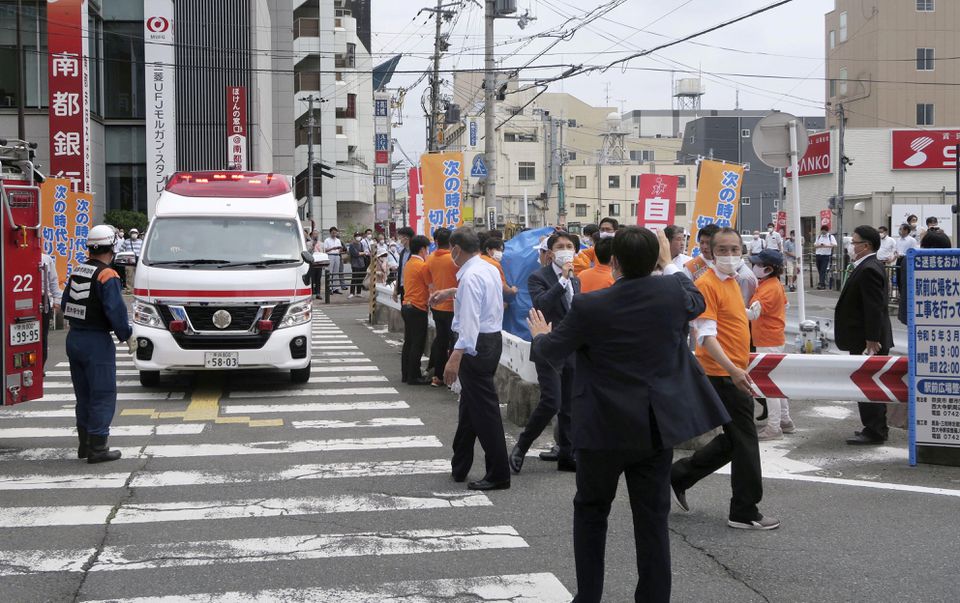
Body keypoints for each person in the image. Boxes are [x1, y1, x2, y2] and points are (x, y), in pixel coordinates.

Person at [526, 226, 729, 603]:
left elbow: (549, 353)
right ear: (654, 260)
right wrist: (668, 266)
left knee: (591, 512)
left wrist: (539, 335)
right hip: (654, 427)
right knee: (651, 519)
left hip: (601, 427)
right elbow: (695, 299)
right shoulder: (672, 293)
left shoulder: (591, 305)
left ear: (613, 261)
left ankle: (588, 596)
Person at [671, 227, 780, 531]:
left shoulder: (731, 281)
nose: (730, 255)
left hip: (732, 371)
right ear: (710, 252)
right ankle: (744, 510)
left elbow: (729, 317)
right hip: (723, 374)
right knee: (745, 441)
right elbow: (705, 336)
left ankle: (679, 475)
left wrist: (749, 314)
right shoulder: (706, 284)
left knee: (735, 441)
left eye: (735, 249)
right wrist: (733, 370)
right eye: (723, 250)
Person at [431, 229, 510, 491]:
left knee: (485, 412)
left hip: (475, 345)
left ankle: (498, 472)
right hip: (489, 341)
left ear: (456, 248)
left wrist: (456, 355)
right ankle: (460, 464)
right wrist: (450, 292)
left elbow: (469, 321)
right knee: (470, 406)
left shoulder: (472, 275)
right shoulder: (486, 268)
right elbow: (480, 298)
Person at [510, 231, 581, 474]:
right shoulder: (538, 277)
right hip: (548, 348)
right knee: (552, 400)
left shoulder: (577, 279)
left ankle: (567, 454)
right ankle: (522, 445)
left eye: (570, 245)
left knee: (570, 404)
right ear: (550, 253)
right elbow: (542, 304)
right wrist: (562, 279)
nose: (565, 249)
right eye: (560, 246)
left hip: (572, 348)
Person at [62, 225, 134, 464]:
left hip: (75, 339)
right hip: (96, 341)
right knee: (102, 393)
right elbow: (115, 311)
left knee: (83, 395)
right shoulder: (108, 275)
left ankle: (84, 444)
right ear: (113, 247)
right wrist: (127, 335)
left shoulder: (77, 271)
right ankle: (98, 447)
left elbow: (65, 305)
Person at [835, 225, 894, 445]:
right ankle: (873, 426)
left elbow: (874, 307)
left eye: (855, 242)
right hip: (862, 338)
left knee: (869, 383)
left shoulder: (869, 268)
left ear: (866, 245)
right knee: (866, 382)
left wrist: (872, 339)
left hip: (867, 340)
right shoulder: (863, 266)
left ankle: (875, 430)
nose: (851, 246)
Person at [747, 249, 793, 440]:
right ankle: (785, 420)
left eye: (758, 264)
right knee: (776, 382)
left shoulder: (767, 288)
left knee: (768, 386)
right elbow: (786, 305)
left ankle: (774, 427)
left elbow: (753, 314)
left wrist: (730, 308)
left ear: (768, 268)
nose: (754, 267)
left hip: (767, 340)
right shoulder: (773, 284)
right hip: (774, 338)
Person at [425, 228, 459, 387]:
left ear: (436, 241)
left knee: (441, 340)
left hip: (437, 305)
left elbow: (429, 281)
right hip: (454, 306)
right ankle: (453, 377)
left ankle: (438, 376)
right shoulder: (455, 260)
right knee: (455, 342)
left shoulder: (430, 259)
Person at [400, 235, 432, 385]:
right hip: (418, 307)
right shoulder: (422, 266)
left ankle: (406, 374)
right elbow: (430, 287)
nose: (428, 252)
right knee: (417, 344)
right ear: (422, 249)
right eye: (427, 249)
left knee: (409, 342)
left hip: (406, 305)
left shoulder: (409, 264)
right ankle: (414, 376)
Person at [40, 253, 62, 368]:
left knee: (43, 335)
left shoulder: (46, 258)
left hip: (42, 299)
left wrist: (57, 299)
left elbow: (53, 280)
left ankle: (41, 366)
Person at [393, 226, 416, 303]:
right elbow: (400, 271)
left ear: (406, 238)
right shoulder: (403, 252)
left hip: (414, 288)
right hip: (403, 287)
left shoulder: (416, 252)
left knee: (411, 312)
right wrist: (396, 289)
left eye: (400, 238)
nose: (399, 241)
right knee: (405, 311)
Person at [323, 227, 346, 294]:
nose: (334, 234)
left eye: (335, 233)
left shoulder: (338, 240)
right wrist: (333, 248)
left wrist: (340, 249)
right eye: (333, 233)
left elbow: (340, 249)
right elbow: (325, 250)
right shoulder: (327, 240)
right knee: (330, 272)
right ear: (330, 233)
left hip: (337, 255)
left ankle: (336, 288)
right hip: (330, 255)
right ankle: (329, 288)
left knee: (336, 272)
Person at [814, 225, 836, 290]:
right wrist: (819, 245)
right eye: (822, 231)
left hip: (825, 255)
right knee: (819, 269)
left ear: (827, 231)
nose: (823, 232)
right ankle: (821, 282)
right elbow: (815, 245)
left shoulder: (830, 237)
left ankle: (821, 284)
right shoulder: (819, 236)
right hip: (818, 254)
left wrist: (826, 245)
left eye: (824, 231)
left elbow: (835, 244)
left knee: (823, 270)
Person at [347, 232, 365, 297]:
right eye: (357, 236)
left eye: (359, 236)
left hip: (361, 263)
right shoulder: (351, 245)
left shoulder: (361, 244)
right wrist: (362, 253)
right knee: (354, 278)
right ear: (354, 237)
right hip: (355, 264)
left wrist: (362, 253)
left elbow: (363, 252)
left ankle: (359, 292)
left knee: (360, 278)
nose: (358, 237)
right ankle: (352, 292)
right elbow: (355, 254)